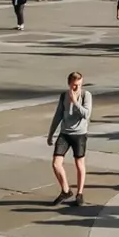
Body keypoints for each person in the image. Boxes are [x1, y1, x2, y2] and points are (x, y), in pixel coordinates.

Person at [48, 71, 92, 205]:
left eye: (79, 85)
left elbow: (87, 114)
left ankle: (79, 193)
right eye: (74, 85)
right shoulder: (63, 96)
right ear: (69, 84)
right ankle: (66, 190)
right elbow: (58, 115)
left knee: (79, 164)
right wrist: (51, 133)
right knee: (56, 163)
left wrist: (75, 102)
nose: (77, 88)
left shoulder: (86, 95)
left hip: (79, 134)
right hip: (65, 133)